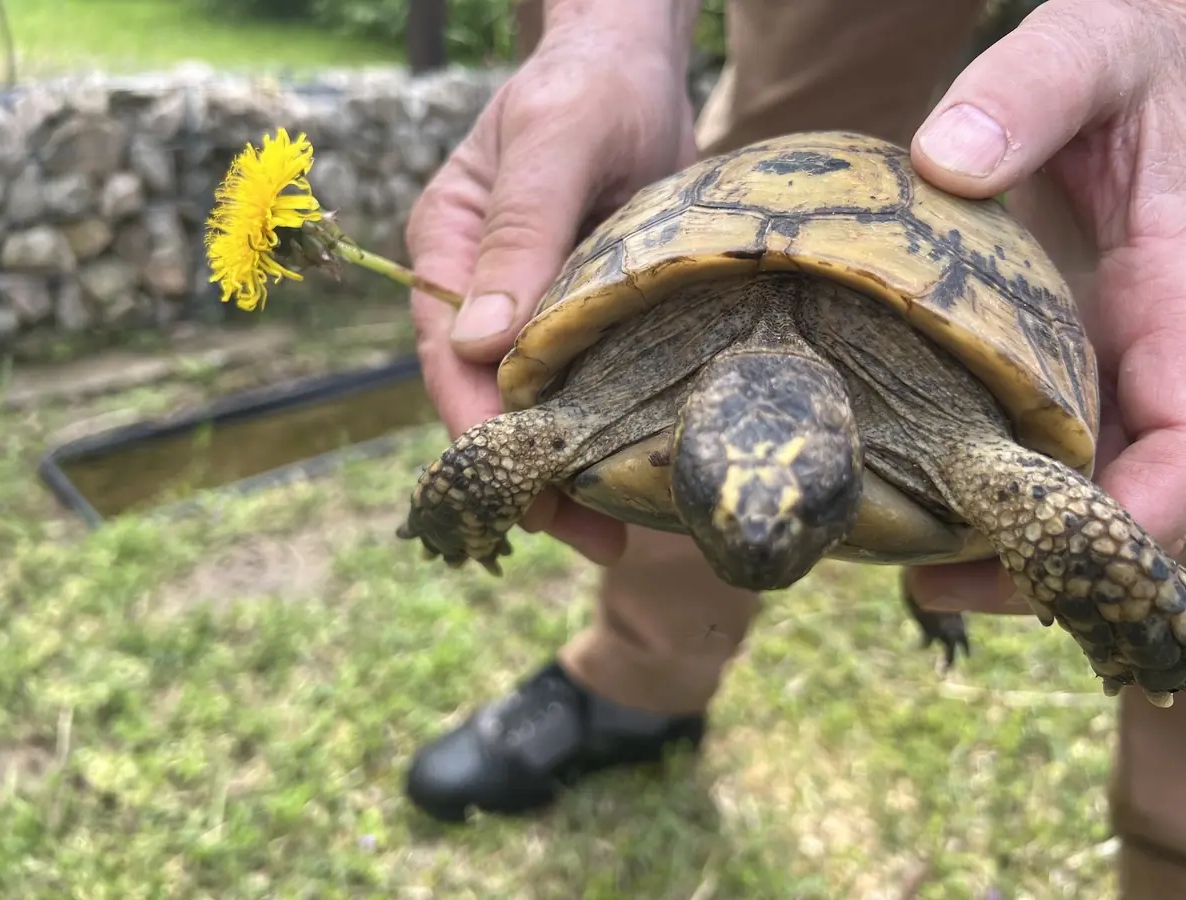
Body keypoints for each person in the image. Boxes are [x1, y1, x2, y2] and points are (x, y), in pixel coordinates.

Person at [401, 0, 1186, 894]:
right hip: (772, 169)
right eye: (709, 494)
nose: (759, 542)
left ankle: (1172, 838)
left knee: (1170, 323)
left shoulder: (977, 450)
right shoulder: (979, 472)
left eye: (806, 506)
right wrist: (606, 28)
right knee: (783, 107)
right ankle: (642, 673)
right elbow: (508, 445)